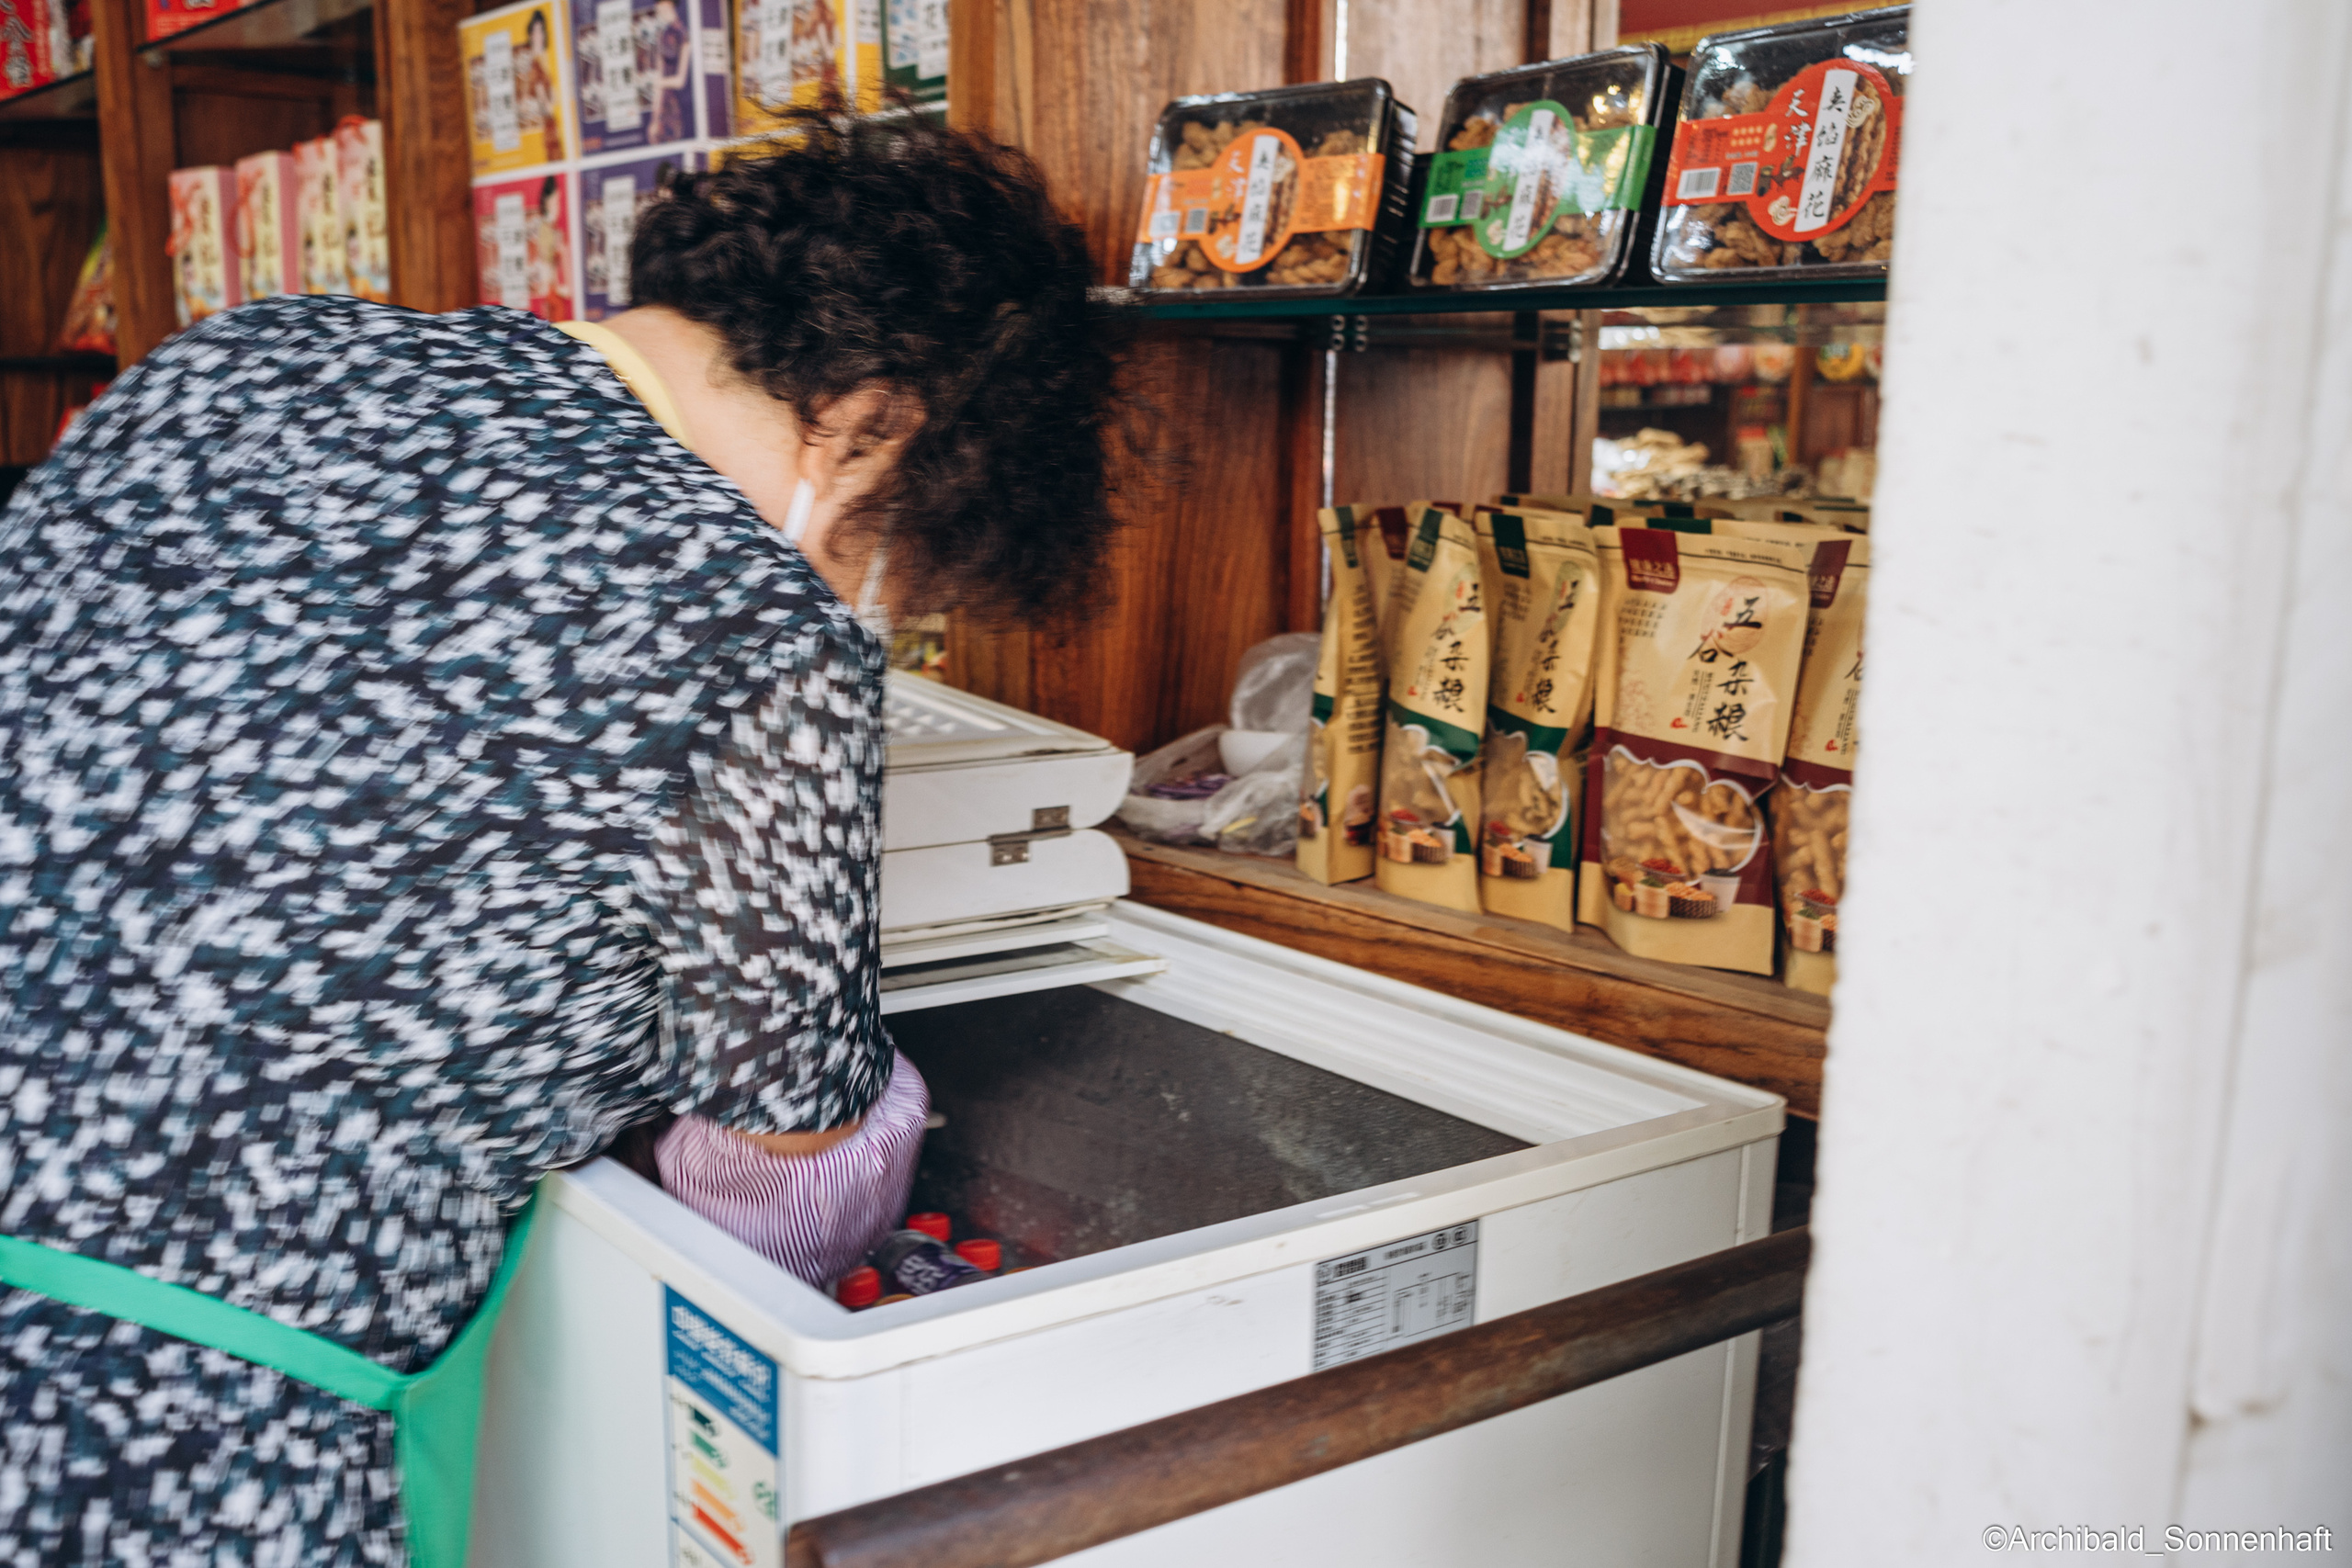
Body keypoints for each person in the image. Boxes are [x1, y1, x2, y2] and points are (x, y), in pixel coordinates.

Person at [0, 103, 1117, 1566]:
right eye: (900, 566)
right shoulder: (751, 622)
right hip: (190, 1427)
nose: (879, 602)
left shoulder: (239, 357)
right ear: (874, 428)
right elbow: (790, 1151)